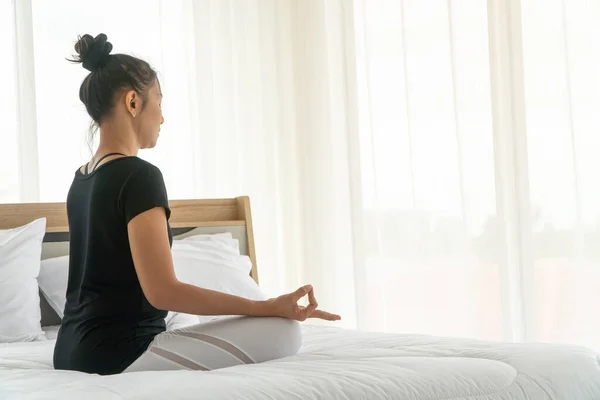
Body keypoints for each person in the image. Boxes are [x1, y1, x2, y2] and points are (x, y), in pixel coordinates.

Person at [53, 33, 340, 376]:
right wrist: (265, 306)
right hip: (119, 353)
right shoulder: (138, 176)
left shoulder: (80, 180)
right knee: (286, 332)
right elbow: (163, 292)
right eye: (158, 100)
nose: (162, 117)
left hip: (69, 351)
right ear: (133, 102)